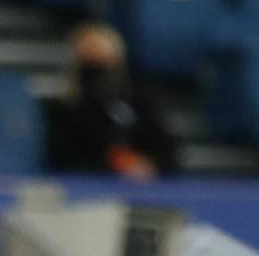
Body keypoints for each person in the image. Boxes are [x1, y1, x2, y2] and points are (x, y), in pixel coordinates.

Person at [42, 23, 178, 181]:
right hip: (87, 190)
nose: (98, 76)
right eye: (90, 65)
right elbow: (62, 160)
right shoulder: (63, 109)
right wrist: (112, 162)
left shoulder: (140, 102)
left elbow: (167, 152)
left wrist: (145, 165)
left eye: (104, 63)